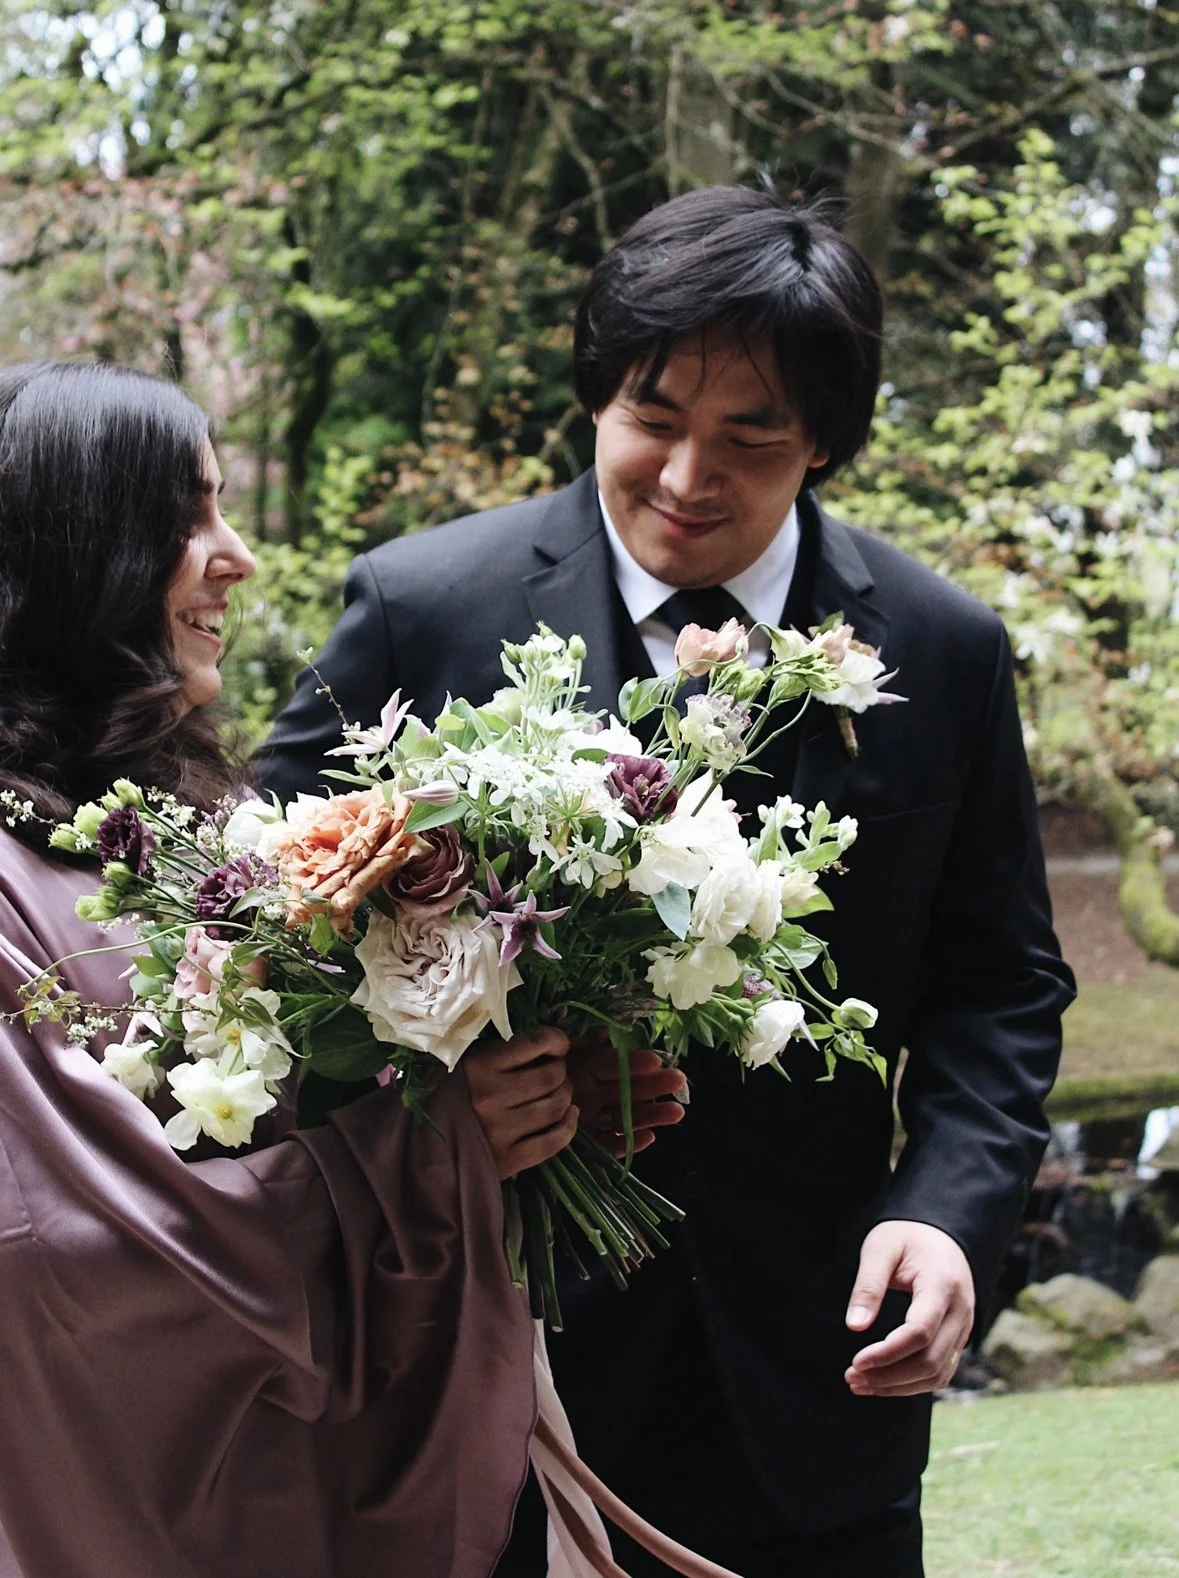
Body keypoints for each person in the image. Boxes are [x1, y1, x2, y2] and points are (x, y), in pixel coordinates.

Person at [258, 188, 1076, 1578]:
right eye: (653, 416)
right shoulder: (422, 608)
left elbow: (998, 985)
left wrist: (945, 1217)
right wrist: (434, 1108)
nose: (690, 476)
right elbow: (256, 936)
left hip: (817, 1393)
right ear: (596, 393)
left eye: (751, 437)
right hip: (485, 1396)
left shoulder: (942, 649)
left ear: (824, 442)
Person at [0, 360, 591, 1578]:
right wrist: (434, 1152)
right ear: (76, 550)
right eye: (188, 521)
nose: (239, 557)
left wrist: (527, 1088)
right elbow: (69, 1257)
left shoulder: (211, 831)